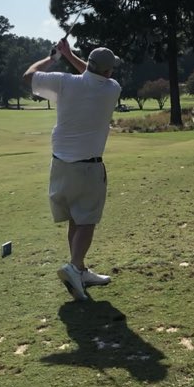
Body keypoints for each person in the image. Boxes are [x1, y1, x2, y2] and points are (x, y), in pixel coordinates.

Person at [23, 38, 122, 301]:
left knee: (75, 219)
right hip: (88, 167)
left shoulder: (63, 82)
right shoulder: (112, 88)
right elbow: (92, 76)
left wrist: (57, 57)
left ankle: (79, 268)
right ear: (108, 71)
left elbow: (29, 76)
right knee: (87, 220)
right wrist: (69, 56)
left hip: (60, 166)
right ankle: (74, 267)